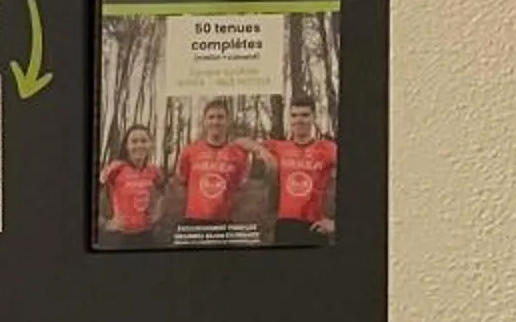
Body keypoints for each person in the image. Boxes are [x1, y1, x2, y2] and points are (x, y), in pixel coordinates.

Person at [258, 102, 339, 246]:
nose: (299, 120)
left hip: (314, 227)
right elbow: (241, 143)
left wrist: (335, 223)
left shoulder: (327, 148)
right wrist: (262, 152)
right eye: (294, 115)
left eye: (305, 115)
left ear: (314, 117)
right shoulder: (280, 147)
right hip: (284, 226)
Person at [171, 99, 255, 233]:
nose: (215, 121)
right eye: (211, 117)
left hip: (224, 224)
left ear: (228, 121)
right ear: (204, 121)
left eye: (220, 117)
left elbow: (242, 189)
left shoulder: (239, 154)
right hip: (193, 222)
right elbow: (181, 183)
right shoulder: (189, 151)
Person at [93, 124, 164, 247]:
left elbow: (165, 191)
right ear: (126, 146)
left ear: (150, 145)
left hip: (146, 234)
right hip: (121, 237)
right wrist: (105, 223)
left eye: (144, 141)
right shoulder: (115, 169)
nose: (139, 145)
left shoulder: (154, 171)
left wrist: (158, 210)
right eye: (134, 141)